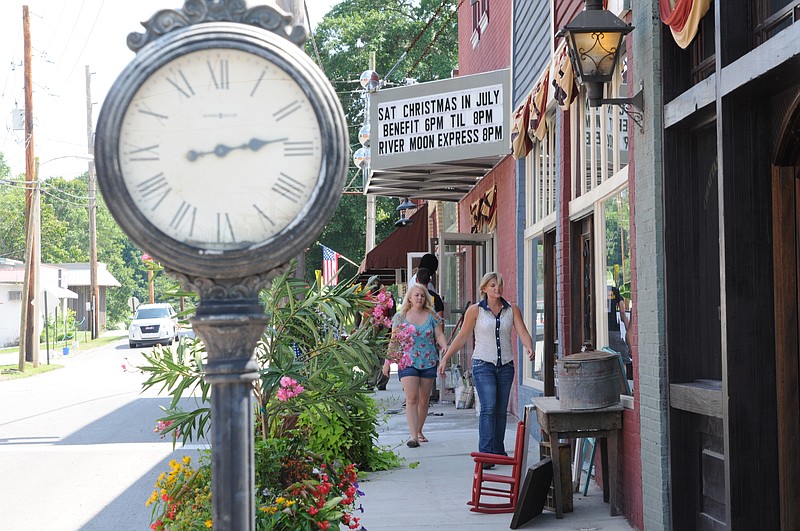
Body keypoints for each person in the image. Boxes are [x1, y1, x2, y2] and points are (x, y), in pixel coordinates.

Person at [439, 272, 534, 464]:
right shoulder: (475, 311)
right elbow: (462, 336)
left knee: (500, 410)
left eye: (499, 285)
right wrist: (446, 357)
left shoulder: (511, 309)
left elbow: (522, 331)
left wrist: (529, 346)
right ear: (484, 289)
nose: (496, 288)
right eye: (492, 285)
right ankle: (486, 454)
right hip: (483, 365)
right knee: (488, 407)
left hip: (506, 366)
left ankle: (498, 452)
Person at [383, 282, 448, 448]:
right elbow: (394, 341)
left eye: (422, 295)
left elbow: (439, 334)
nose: (419, 298)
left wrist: (445, 346)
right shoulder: (400, 317)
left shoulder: (432, 316)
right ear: (410, 298)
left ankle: (419, 430)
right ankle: (413, 437)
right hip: (408, 361)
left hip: (428, 361)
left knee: (424, 399)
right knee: (412, 398)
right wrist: (387, 362)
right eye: (416, 295)